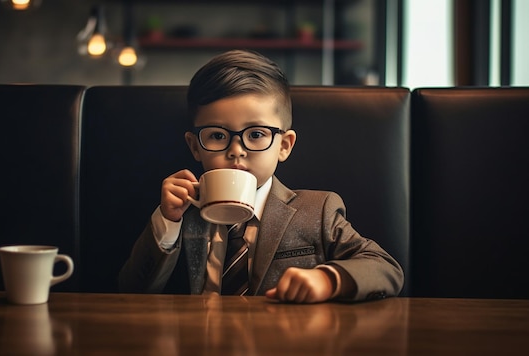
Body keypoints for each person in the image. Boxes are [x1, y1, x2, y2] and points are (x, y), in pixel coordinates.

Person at [118, 49, 404, 303]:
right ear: (195, 146)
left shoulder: (318, 211)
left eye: (256, 134)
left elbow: (384, 267)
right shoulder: (180, 214)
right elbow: (131, 291)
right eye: (217, 135)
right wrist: (168, 222)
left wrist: (328, 280)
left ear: (284, 145)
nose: (236, 150)